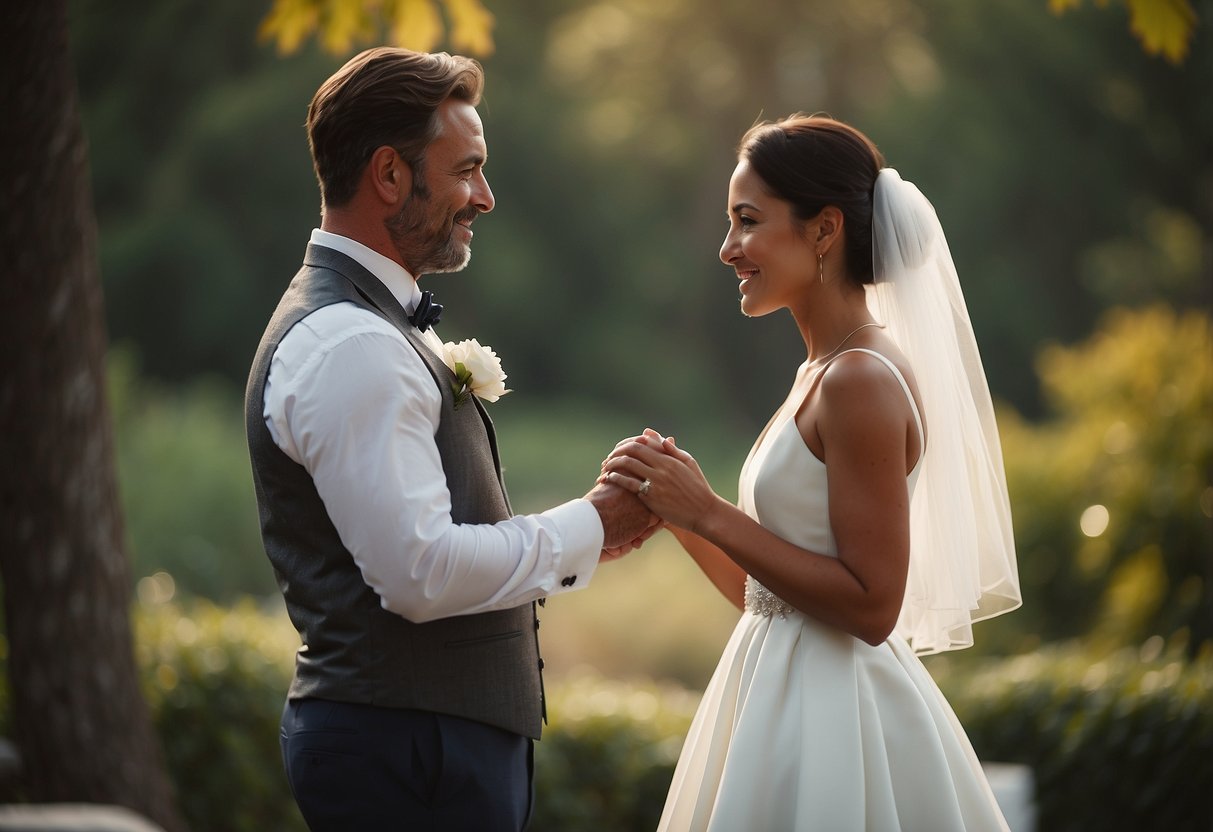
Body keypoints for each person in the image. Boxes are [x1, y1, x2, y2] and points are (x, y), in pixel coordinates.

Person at [244, 47, 655, 831]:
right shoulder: (351, 343)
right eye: (466, 169)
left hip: (418, 749)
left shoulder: (370, 325)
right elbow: (420, 573)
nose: (486, 197)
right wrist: (591, 524)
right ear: (390, 175)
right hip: (407, 757)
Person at [601, 115, 1023, 830]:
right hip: (774, 692)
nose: (727, 248)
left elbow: (869, 604)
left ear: (823, 231)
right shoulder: (820, 371)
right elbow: (768, 597)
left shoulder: (860, 378)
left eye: (746, 221)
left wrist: (709, 511)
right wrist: (675, 510)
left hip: (837, 720)